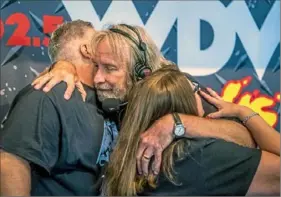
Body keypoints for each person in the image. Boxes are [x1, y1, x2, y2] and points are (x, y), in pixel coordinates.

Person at [31, 24, 256, 177]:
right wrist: (64, 66)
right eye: (96, 66)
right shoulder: (109, 92)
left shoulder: (178, 89)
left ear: (142, 73)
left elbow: (245, 138)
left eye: (109, 69)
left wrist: (175, 123)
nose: (98, 78)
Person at [103, 66, 280, 196]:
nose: (200, 93)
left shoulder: (126, 156)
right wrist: (244, 111)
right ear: (186, 101)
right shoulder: (200, 156)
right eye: (194, 89)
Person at [0, 20, 114, 196]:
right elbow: (11, 164)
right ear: (87, 50)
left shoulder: (110, 99)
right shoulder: (45, 94)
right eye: (99, 41)